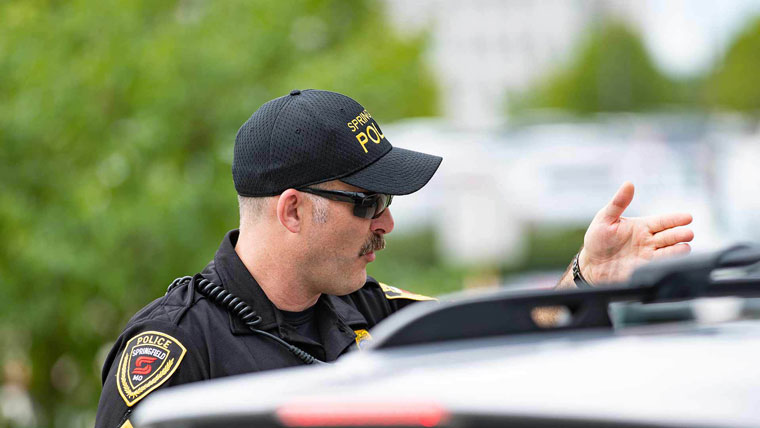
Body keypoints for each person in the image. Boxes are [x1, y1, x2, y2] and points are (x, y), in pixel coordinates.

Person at [94, 89, 693, 428]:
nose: (387, 223)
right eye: (368, 202)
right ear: (294, 210)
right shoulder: (174, 348)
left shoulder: (378, 314)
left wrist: (591, 276)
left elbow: (510, 345)